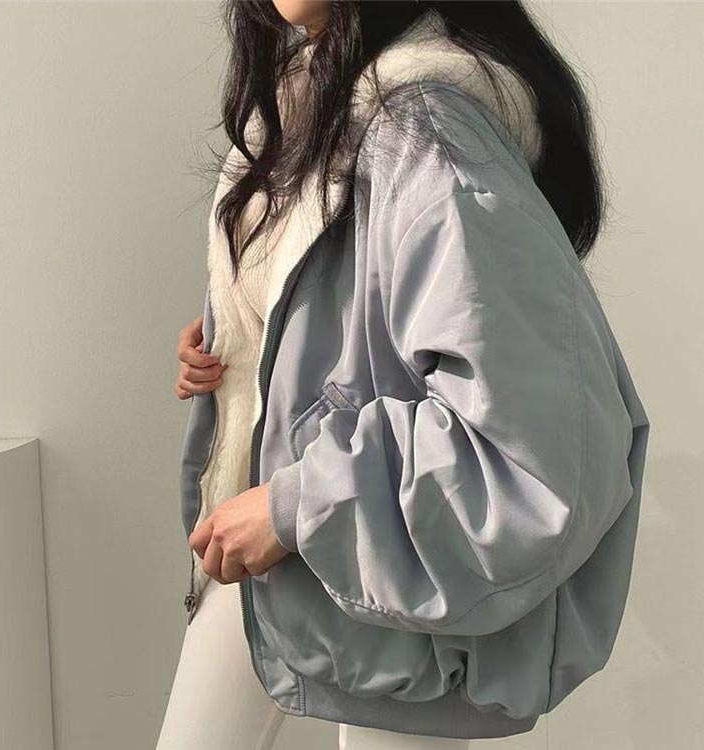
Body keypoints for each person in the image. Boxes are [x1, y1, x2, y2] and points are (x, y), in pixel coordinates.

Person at [158, 1, 651, 748]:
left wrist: (298, 506)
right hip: (275, 549)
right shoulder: (301, 104)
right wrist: (241, 338)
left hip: (380, 574)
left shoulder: (423, 130)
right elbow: (346, 313)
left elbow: (535, 444)